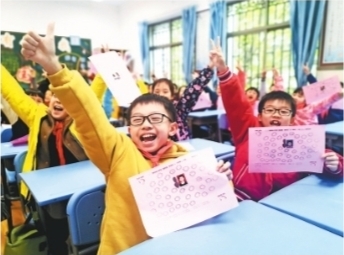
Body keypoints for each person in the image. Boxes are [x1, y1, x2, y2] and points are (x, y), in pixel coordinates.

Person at [20, 23, 233, 255]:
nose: (146, 124)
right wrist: (54, 69)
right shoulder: (116, 152)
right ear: (129, 129)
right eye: (138, 120)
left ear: (173, 128)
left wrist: (221, 180)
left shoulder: (189, 163)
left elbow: (212, 210)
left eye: (155, 118)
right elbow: (88, 114)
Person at [209, 39, 343, 201]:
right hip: (244, 200)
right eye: (270, 110)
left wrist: (334, 164)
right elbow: (237, 104)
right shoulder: (248, 131)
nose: (276, 114)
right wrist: (223, 70)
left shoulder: (299, 138)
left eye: (283, 111)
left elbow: (324, 158)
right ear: (259, 115)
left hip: (285, 205)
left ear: (293, 118)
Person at [1, 63, 88, 255]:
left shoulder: (82, 122)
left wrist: (103, 69)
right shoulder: (37, 115)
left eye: (65, 97)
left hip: (79, 193)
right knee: (56, 240)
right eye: (55, 95)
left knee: (83, 238)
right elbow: (11, 91)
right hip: (50, 197)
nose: (58, 100)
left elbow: (94, 96)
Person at [152, 64, 214, 141]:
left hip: (182, 146)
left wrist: (209, 69)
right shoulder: (148, 112)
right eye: (157, 91)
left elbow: (193, 89)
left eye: (165, 91)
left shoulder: (179, 108)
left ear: (171, 95)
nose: (161, 94)